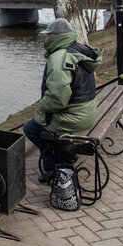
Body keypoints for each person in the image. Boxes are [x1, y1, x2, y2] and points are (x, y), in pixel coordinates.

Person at [23, 18, 102, 183]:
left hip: (73, 117)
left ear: (55, 36)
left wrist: (41, 110)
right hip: (87, 111)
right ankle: (60, 158)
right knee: (43, 130)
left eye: (48, 35)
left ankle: (56, 165)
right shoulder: (79, 49)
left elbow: (58, 97)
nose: (45, 39)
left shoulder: (59, 57)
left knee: (31, 128)